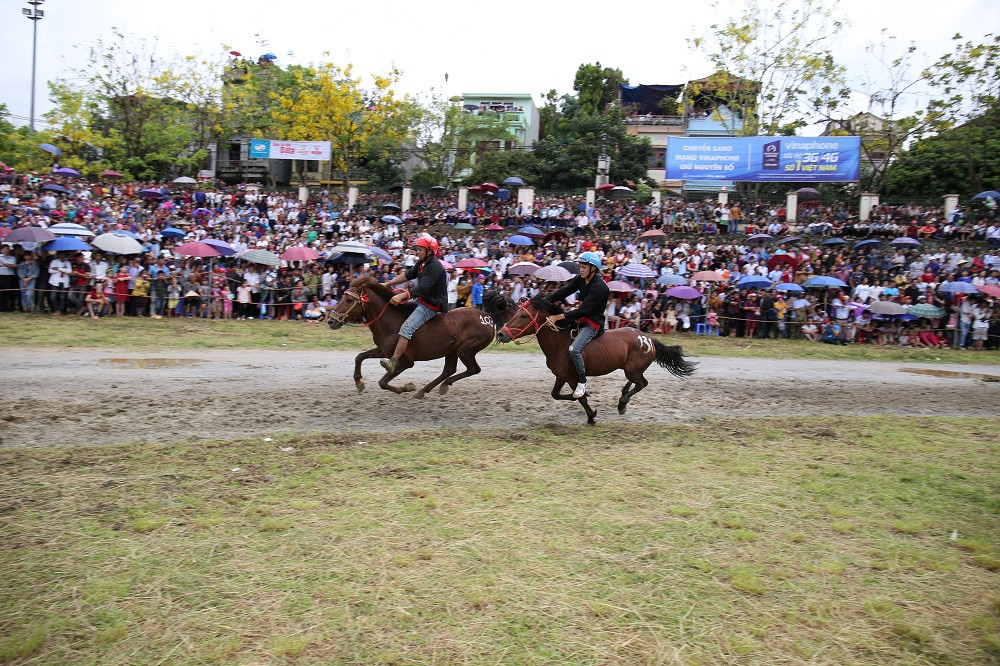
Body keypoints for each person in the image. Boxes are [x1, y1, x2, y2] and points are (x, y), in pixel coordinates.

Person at [542, 251, 611, 398]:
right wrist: (543, 301)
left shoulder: (600, 287)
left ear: (593, 268)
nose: (581, 269)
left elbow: (583, 310)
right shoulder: (580, 279)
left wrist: (557, 317)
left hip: (593, 323)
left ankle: (582, 382)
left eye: (584, 267)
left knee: (573, 349)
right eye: (580, 266)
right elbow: (564, 291)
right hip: (581, 319)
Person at [379, 235, 448, 373]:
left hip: (431, 304)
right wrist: (388, 283)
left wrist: (402, 296)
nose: (417, 252)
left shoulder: (434, 267)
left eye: (420, 250)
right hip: (422, 299)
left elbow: (422, 288)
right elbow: (408, 274)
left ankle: (393, 362)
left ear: (429, 251)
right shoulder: (422, 262)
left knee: (406, 328)